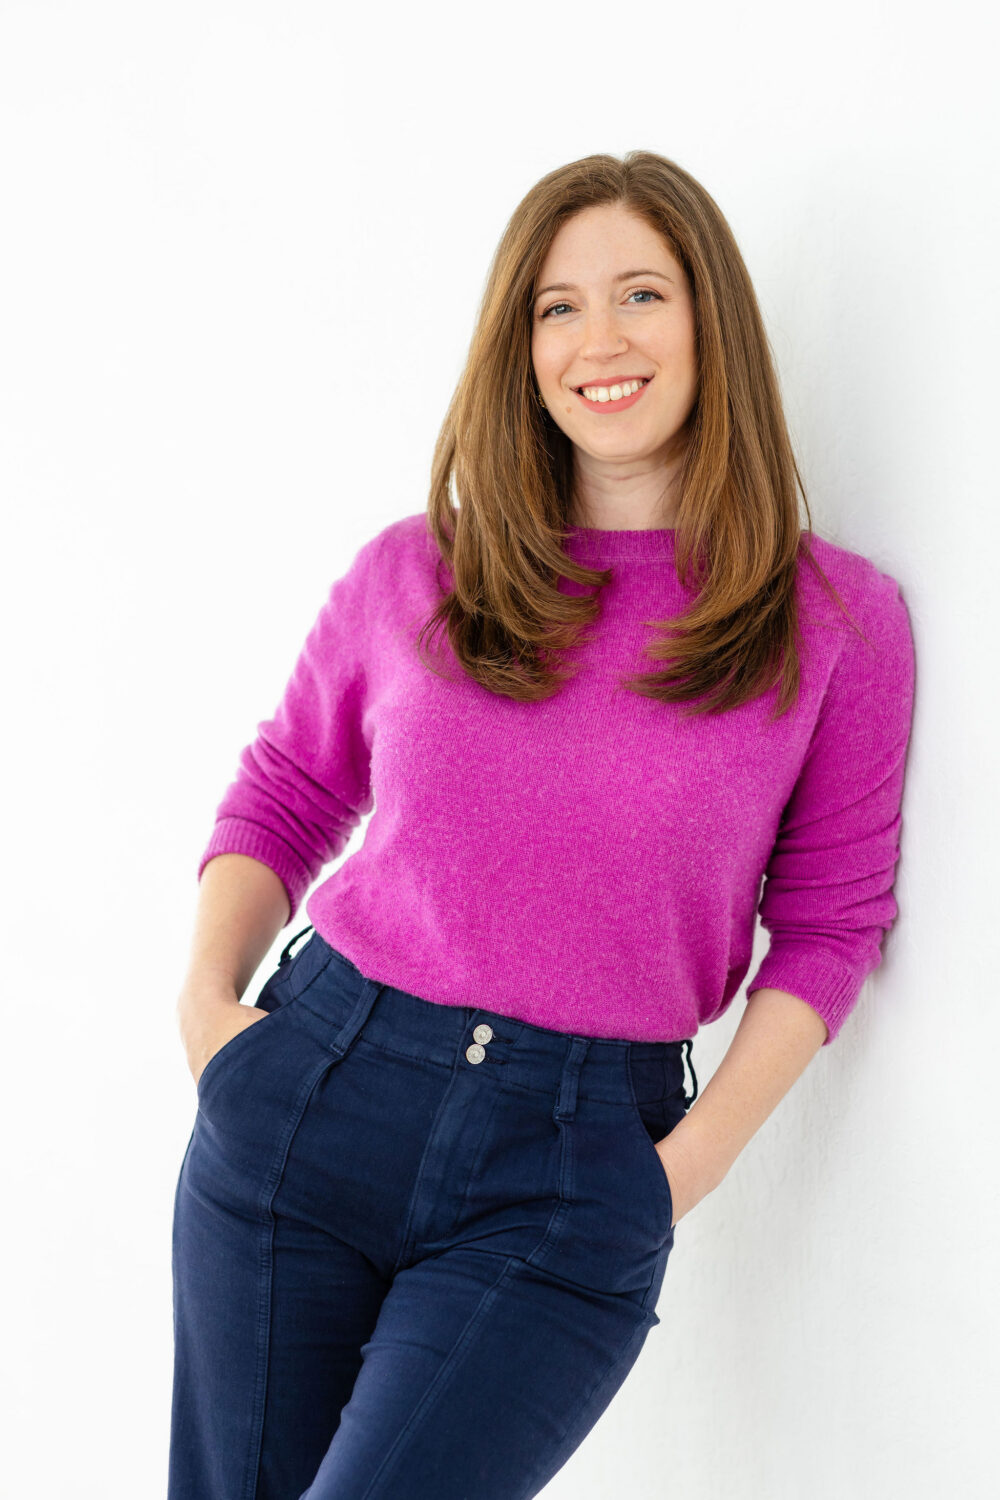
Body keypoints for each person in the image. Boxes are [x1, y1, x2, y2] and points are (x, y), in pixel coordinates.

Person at [169, 149, 916, 1500]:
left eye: (641, 294)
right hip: (317, 1084)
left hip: (574, 1165)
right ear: (518, 349)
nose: (598, 340)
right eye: (556, 308)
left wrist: (677, 1176)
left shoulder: (836, 624)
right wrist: (210, 1016)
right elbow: (287, 789)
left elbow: (829, 926)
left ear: (712, 322)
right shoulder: (418, 568)